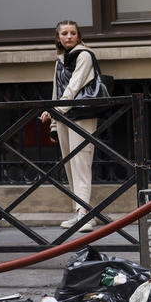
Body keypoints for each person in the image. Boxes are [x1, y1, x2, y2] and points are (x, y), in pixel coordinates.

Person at [39, 20, 99, 232]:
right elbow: (57, 90)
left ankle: (85, 215)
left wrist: (56, 111)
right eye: (64, 33)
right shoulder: (60, 60)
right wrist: (54, 123)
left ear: (78, 35)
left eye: (73, 33)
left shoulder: (84, 55)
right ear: (58, 38)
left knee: (81, 164)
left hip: (82, 115)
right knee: (69, 166)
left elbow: (74, 86)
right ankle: (79, 211)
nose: (69, 36)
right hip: (64, 116)